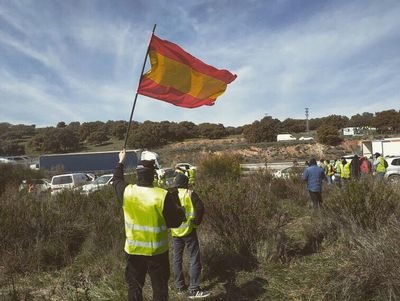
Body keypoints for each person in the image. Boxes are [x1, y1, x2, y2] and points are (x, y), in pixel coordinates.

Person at [113, 149, 186, 301]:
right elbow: (175, 222)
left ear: (137, 174)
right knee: (160, 289)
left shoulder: (127, 192)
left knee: (134, 287)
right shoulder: (162, 195)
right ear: (153, 175)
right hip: (157, 252)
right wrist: (179, 208)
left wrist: (121, 161)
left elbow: (117, 180)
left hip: (133, 251)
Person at [170, 173, 210, 299]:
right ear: (185, 183)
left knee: (177, 259)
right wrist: (196, 221)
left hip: (175, 232)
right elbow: (200, 207)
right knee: (194, 257)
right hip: (189, 230)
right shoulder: (190, 193)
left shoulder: (171, 195)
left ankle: (180, 288)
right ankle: (194, 289)